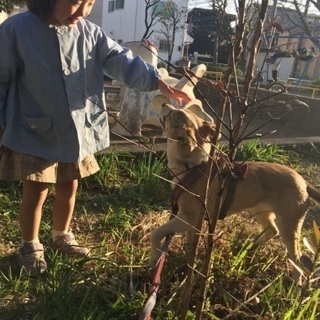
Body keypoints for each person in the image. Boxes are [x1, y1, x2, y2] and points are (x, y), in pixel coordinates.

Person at [0, 0, 191, 276]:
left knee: (70, 186)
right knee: (36, 191)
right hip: (35, 130)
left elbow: (121, 60)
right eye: (76, 3)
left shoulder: (91, 33)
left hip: (75, 130)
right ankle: (30, 244)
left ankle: (61, 235)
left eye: (90, 3)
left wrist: (156, 80)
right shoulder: (16, 31)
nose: (83, 11)